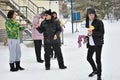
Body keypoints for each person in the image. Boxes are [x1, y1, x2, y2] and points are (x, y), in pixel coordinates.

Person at [85, 8, 105, 80]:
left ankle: (99, 76)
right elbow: (87, 32)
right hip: (91, 44)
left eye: (92, 14)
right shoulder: (87, 22)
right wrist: (86, 37)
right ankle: (95, 70)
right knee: (89, 58)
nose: (91, 16)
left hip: (98, 43)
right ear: (88, 15)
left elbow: (102, 33)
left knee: (98, 60)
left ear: (94, 14)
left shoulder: (99, 22)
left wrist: (93, 33)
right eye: (90, 15)